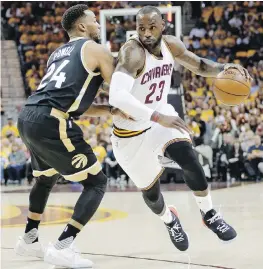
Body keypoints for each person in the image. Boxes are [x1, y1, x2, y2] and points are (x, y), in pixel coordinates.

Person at [109, 6, 251, 251]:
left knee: (189, 156)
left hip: (161, 119)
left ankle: (209, 214)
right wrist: (155, 116)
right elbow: (116, 96)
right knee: (152, 197)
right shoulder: (132, 52)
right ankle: (169, 220)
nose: (146, 33)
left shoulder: (171, 45)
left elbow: (199, 66)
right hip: (129, 133)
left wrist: (226, 68)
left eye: (152, 26)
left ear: (163, 25)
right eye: (141, 27)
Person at [14, 4, 128, 268]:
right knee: (96, 182)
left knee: (45, 179)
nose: (99, 26)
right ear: (82, 26)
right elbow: (119, 89)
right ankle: (63, 245)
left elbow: (77, 104)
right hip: (51, 120)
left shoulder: (58, 53)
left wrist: (109, 111)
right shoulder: (96, 49)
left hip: (29, 115)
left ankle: (29, 240)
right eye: (95, 22)